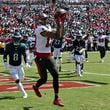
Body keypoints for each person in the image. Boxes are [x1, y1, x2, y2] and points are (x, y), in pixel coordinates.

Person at [32, 11, 67, 107]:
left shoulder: (48, 27)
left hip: (48, 56)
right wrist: (58, 23)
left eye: (45, 18)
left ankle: (56, 98)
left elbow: (60, 34)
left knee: (56, 75)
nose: (44, 20)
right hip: (40, 57)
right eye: (43, 19)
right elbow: (55, 36)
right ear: (39, 20)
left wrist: (61, 24)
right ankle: (36, 87)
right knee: (44, 79)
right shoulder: (39, 29)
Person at [3, 32, 30, 98]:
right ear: (13, 39)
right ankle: (24, 93)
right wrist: (5, 63)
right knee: (17, 80)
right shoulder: (9, 45)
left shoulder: (22, 46)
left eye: (18, 39)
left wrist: (26, 62)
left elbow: (24, 55)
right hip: (12, 66)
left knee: (22, 78)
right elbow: (5, 55)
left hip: (19, 66)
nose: (17, 40)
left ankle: (19, 85)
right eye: (15, 38)